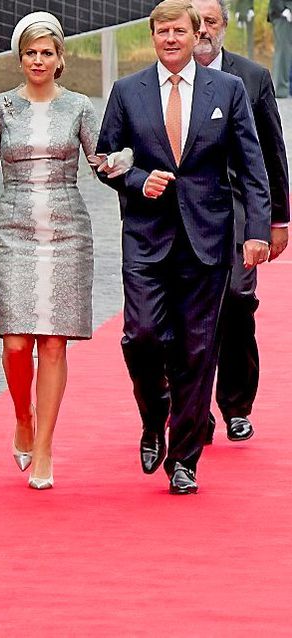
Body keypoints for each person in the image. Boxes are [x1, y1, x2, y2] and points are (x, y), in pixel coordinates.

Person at [96, 0, 271, 495]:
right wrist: (135, 179)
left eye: (179, 30)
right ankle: (154, 417)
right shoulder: (128, 92)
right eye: (161, 31)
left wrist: (257, 231)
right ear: (152, 37)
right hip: (146, 238)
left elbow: (252, 167)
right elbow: (104, 157)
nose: (170, 38)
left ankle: (184, 458)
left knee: (198, 349)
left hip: (209, 239)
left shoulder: (229, 90)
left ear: (196, 35)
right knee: (143, 336)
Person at [0, 12, 101, 490]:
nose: (38, 60)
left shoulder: (80, 107)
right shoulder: (1, 107)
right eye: (30, 53)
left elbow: (100, 160)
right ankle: (23, 414)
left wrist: (126, 161)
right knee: (17, 342)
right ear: (19, 59)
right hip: (13, 227)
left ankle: (43, 447)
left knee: (54, 342)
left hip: (67, 231)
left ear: (60, 58)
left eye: (47, 52)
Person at [192, 0, 290, 442]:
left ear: (224, 26)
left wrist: (278, 220)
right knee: (189, 314)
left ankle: (236, 404)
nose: (201, 31)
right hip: (185, 216)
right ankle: (193, 409)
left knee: (235, 304)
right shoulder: (163, 80)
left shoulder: (252, 78)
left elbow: (272, 152)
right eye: (195, 23)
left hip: (237, 216)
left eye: (210, 22)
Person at [269, 0, 292, 97]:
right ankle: (281, 89)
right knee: (283, 52)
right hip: (284, 14)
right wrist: (283, 9)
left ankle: (286, 88)